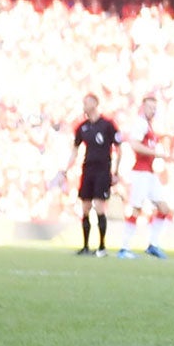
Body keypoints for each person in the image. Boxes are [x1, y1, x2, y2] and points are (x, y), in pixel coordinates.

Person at [118, 94, 173, 260]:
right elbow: (134, 144)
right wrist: (156, 153)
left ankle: (153, 245)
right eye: (150, 107)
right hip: (140, 172)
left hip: (149, 173)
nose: (152, 111)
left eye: (155, 108)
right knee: (136, 208)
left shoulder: (149, 125)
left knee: (164, 209)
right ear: (143, 107)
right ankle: (124, 247)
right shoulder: (140, 124)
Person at [65, 93, 119, 257]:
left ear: (95, 103)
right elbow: (75, 149)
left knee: (99, 206)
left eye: (86, 102)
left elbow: (118, 148)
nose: (84, 105)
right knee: (86, 207)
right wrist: (67, 167)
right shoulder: (82, 127)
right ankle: (86, 246)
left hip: (103, 170)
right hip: (87, 170)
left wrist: (115, 172)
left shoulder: (108, 125)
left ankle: (102, 247)